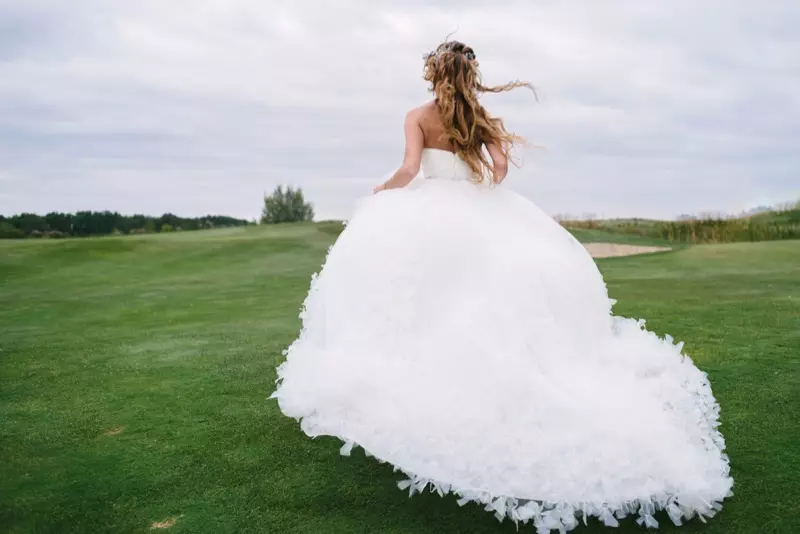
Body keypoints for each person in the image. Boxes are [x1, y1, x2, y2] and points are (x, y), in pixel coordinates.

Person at [271, 40, 732, 532]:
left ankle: (423, 372)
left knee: (420, 295)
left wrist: (380, 193)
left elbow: (409, 170)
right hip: (477, 207)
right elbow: (501, 170)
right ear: (471, 76)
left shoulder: (417, 116)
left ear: (434, 74)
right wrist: (478, 184)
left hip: (426, 215)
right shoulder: (481, 118)